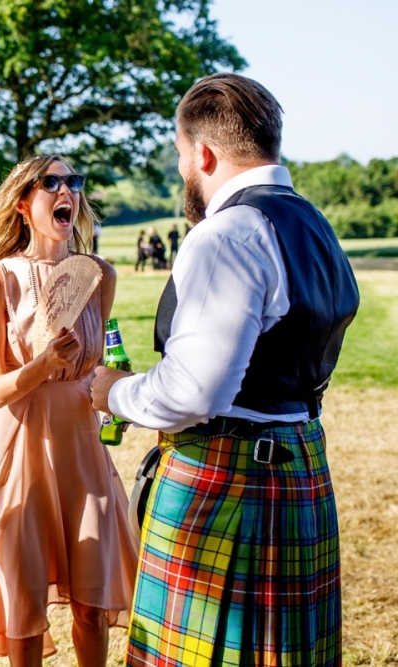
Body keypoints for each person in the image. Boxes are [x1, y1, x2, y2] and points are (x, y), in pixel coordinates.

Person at [91, 73, 359, 666]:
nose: (183, 170)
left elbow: (192, 392)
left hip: (228, 480)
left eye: (182, 156)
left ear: (204, 153)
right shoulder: (314, 224)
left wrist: (113, 393)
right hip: (294, 466)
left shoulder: (229, 233)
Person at [0, 156, 137, 667]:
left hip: (82, 443)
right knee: (25, 606)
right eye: (51, 182)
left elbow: (97, 366)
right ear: (23, 203)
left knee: (92, 602)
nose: (66, 191)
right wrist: (43, 364)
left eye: (73, 182)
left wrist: (115, 387)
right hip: (19, 447)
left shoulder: (100, 274)